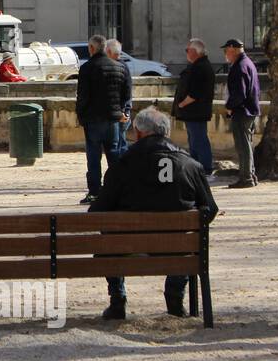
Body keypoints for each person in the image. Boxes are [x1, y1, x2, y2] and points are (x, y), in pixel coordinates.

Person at [90, 106, 218, 320]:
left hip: (127, 246)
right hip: (176, 249)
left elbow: (97, 213)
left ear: (139, 133)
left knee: (110, 240)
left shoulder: (122, 165)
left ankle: (117, 299)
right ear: (166, 133)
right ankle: (175, 297)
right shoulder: (190, 165)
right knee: (183, 246)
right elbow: (209, 209)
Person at [75, 34, 130, 204]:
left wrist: (81, 116)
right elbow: (125, 94)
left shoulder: (86, 68)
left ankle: (95, 192)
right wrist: (121, 112)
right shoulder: (119, 67)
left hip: (93, 119)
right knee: (114, 155)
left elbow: (82, 97)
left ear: (91, 48)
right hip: (113, 119)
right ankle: (117, 190)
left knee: (93, 158)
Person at [222, 38, 260, 189]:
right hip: (249, 110)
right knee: (247, 144)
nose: (225, 54)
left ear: (232, 49)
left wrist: (230, 107)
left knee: (243, 146)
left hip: (242, 111)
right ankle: (250, 174)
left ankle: (246, 177)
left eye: (226, 51)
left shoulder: (240, 67)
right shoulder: (247, 63)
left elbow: (239, 93)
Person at [173, 37, 215, 174]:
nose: (186, 53)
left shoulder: (201, 67)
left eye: (187, 50)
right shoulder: (198, 66)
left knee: (199, 141)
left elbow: (196, 92)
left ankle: (205, 169)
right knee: (195, 141)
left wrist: (182, 104)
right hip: (193, 112)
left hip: (196, 111)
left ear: (195, 51)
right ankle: (197, 168)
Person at [105, 38, 132, 156]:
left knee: (118, 146)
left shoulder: (116, 67)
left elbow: (125, 92)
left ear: (109, 52)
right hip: (122, 110)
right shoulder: (124, 66)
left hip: (119, 112)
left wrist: (123, 111)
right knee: (121, 144)